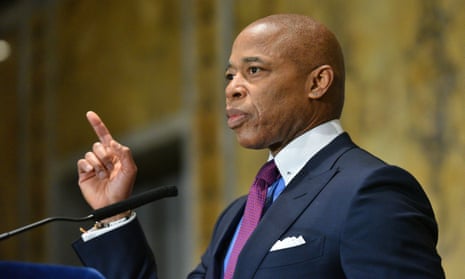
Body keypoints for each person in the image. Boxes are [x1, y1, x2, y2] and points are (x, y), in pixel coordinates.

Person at [73, 14, 445, 278]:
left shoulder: (371, 191)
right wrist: (112, 214)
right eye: (230, 75)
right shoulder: (238, 215)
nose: (232, 88)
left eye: (254, 71)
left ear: (318, 83)